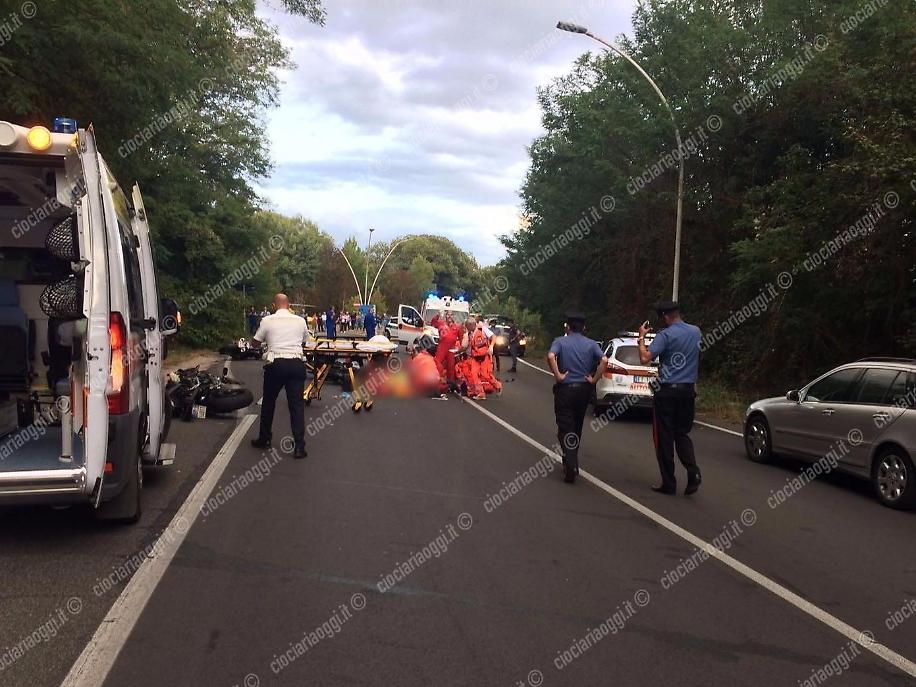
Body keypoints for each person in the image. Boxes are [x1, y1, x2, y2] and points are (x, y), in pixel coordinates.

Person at [639, 301, 702, 496]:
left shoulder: (665, 335)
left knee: (664, 437)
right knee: (682, 434)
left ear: (665, 317)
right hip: (687, 392)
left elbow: (645, 358)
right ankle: (693, 472)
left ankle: (669, 483)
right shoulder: (696, 332)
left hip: (667, 393)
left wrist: (641, 337)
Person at [547, 311, 608, 484]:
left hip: (565, 389)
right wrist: (594, 379)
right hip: (583, 390)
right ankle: (571, 461)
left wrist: (558, 375)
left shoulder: (560, 341)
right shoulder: (591, 344)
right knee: (577, 426)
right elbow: (604, 360)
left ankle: (570, 463)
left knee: (565, 426)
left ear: (567, 327)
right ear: (584, 328)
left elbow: (551, 356)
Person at [250, 293, 311, 459]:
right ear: (289, 305)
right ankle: (299, 447)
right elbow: (305, 340)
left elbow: (255, 342)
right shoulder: (300, 321)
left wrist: (264, 343)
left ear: (273, 305)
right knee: (296, 406)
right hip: (296, 364)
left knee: (269, 402)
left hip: (276, 364)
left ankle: (264, 438)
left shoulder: (267, 320)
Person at [431, 310, 462, 389]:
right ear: (445, 316)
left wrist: (460, 348)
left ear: (453, 316)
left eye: (451, 315)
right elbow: (433, 322)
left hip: (451, 348)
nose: (449, 316)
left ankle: (450, 384)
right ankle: (435, 380)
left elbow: (461, 338)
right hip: (442, 346)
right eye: (448, 315)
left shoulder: (457, 327)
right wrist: (437, 315)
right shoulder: (441, 323)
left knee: (450, 366)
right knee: (437, 362)